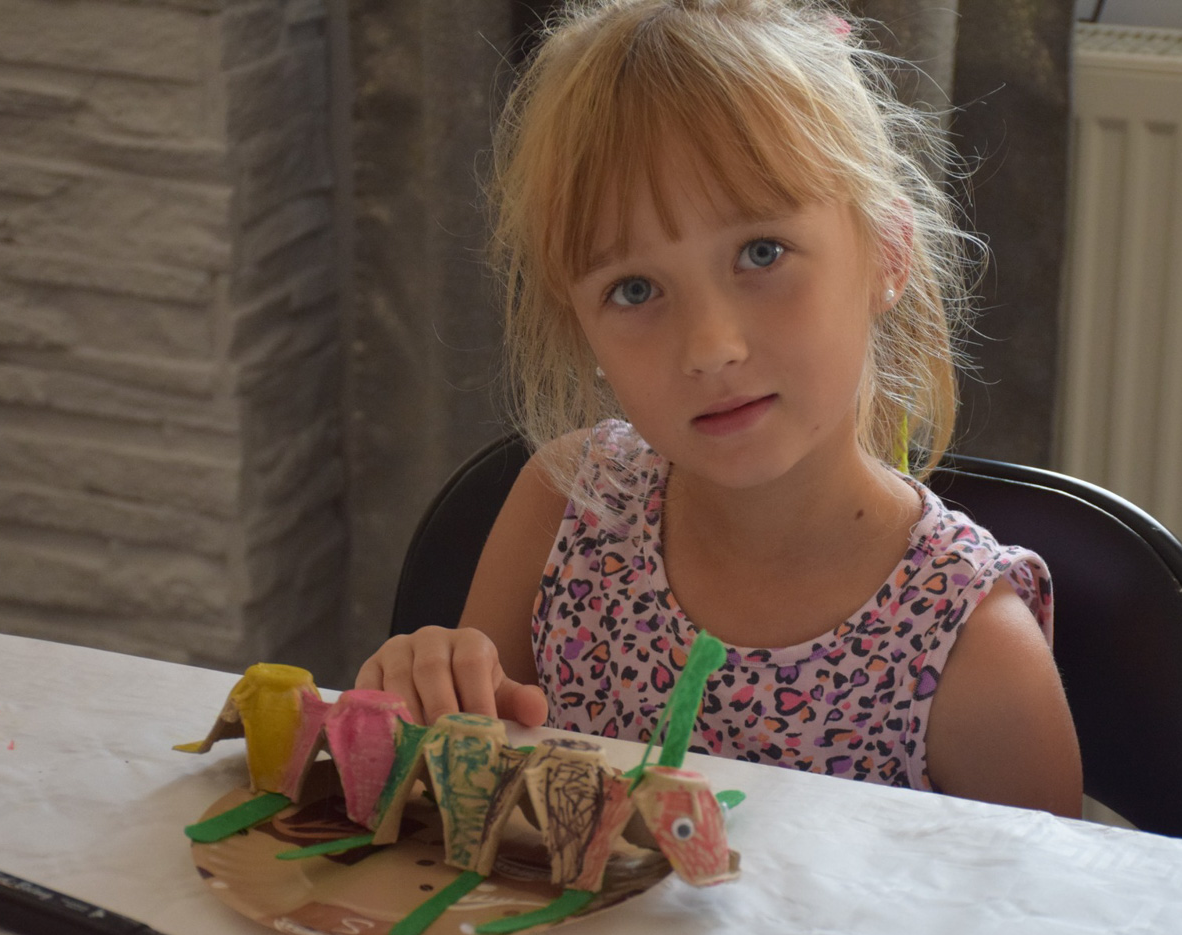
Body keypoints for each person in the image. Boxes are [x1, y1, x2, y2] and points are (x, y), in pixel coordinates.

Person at [357, 0, 1082, 817]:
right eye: (635, 289)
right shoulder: (565, 509)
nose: (710, 347)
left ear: (887, 253)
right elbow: (460, 810)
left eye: (761, 253)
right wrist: (425, 696)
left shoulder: (973, 652)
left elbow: (1044, 903)